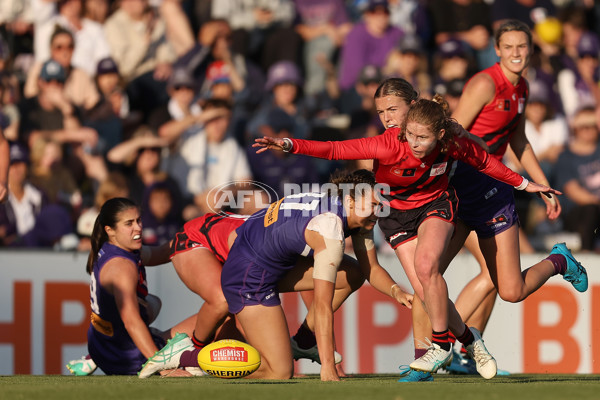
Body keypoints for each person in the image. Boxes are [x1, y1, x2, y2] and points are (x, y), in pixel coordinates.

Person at [254, 89, 564, 381]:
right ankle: (471, 341)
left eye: (393, 110)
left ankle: (439, 347)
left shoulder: (450, 140)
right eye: (381, 112)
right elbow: (335, 149)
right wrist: (289, 144)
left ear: (414, 107)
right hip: (396, 216)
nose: (389, 120)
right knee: (427, 290)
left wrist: (525, 185)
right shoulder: (389, 142)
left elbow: (484, 160)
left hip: (436, 206)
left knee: (427, 268)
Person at [138, 169, 414, 381]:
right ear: (351, 199)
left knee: (352, 273)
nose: (379, 209)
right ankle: (186, 356)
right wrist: (328, 367)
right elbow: (321, 303)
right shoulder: (330, 228)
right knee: (278, 372)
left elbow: (371, 270)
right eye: (374, 202)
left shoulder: (347, 213)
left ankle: (303, 342)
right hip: (249, 275)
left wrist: (395, 291)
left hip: (265, 261)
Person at [439, 19, 588, 378]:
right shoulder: (484, 83)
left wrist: (543, 185)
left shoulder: (522, 87)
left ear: (531, 50)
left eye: (522, 46)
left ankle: (456, 350)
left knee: (501, 284)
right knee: (436, 277)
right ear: (497, 50)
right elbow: (453, 132)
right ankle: (447, 350)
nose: (516, 53)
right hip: (462, 188)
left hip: (490, 190)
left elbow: (518, 141)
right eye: (509, 47)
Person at [84, 197, 188, 376]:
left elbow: (160, 253)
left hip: (100, 345)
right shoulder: (121, 267)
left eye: (138, 220)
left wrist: (194, 237)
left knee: (153, 302)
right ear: (110, 230)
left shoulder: (113, 247)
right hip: (123, 358)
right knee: (214, 326)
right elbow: (131, 322)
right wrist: (165, 369)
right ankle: (151, 347)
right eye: (129, 223)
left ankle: (94, 357)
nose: (138, 227)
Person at [554, 106, 600, 252]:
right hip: (577, 214)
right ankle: (587, 254)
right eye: (584, 126)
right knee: (590, 210)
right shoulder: (566, 157)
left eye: (593, 126)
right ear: (576, 128)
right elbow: (573, 191)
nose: (589, 130)